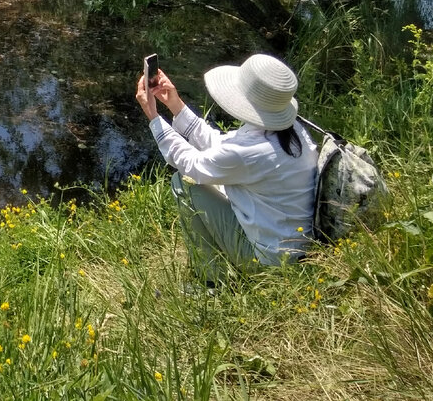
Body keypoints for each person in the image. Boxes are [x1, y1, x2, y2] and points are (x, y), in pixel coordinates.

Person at [135, 53, 318, 285]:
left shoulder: (249, 152)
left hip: (270, 262)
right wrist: (175, 105)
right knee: (209, 182)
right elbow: (222, 147)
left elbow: (193, 166)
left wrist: (153, 116)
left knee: (184, 183)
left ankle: (213, 281)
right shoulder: (294, 130)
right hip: (299, 249)